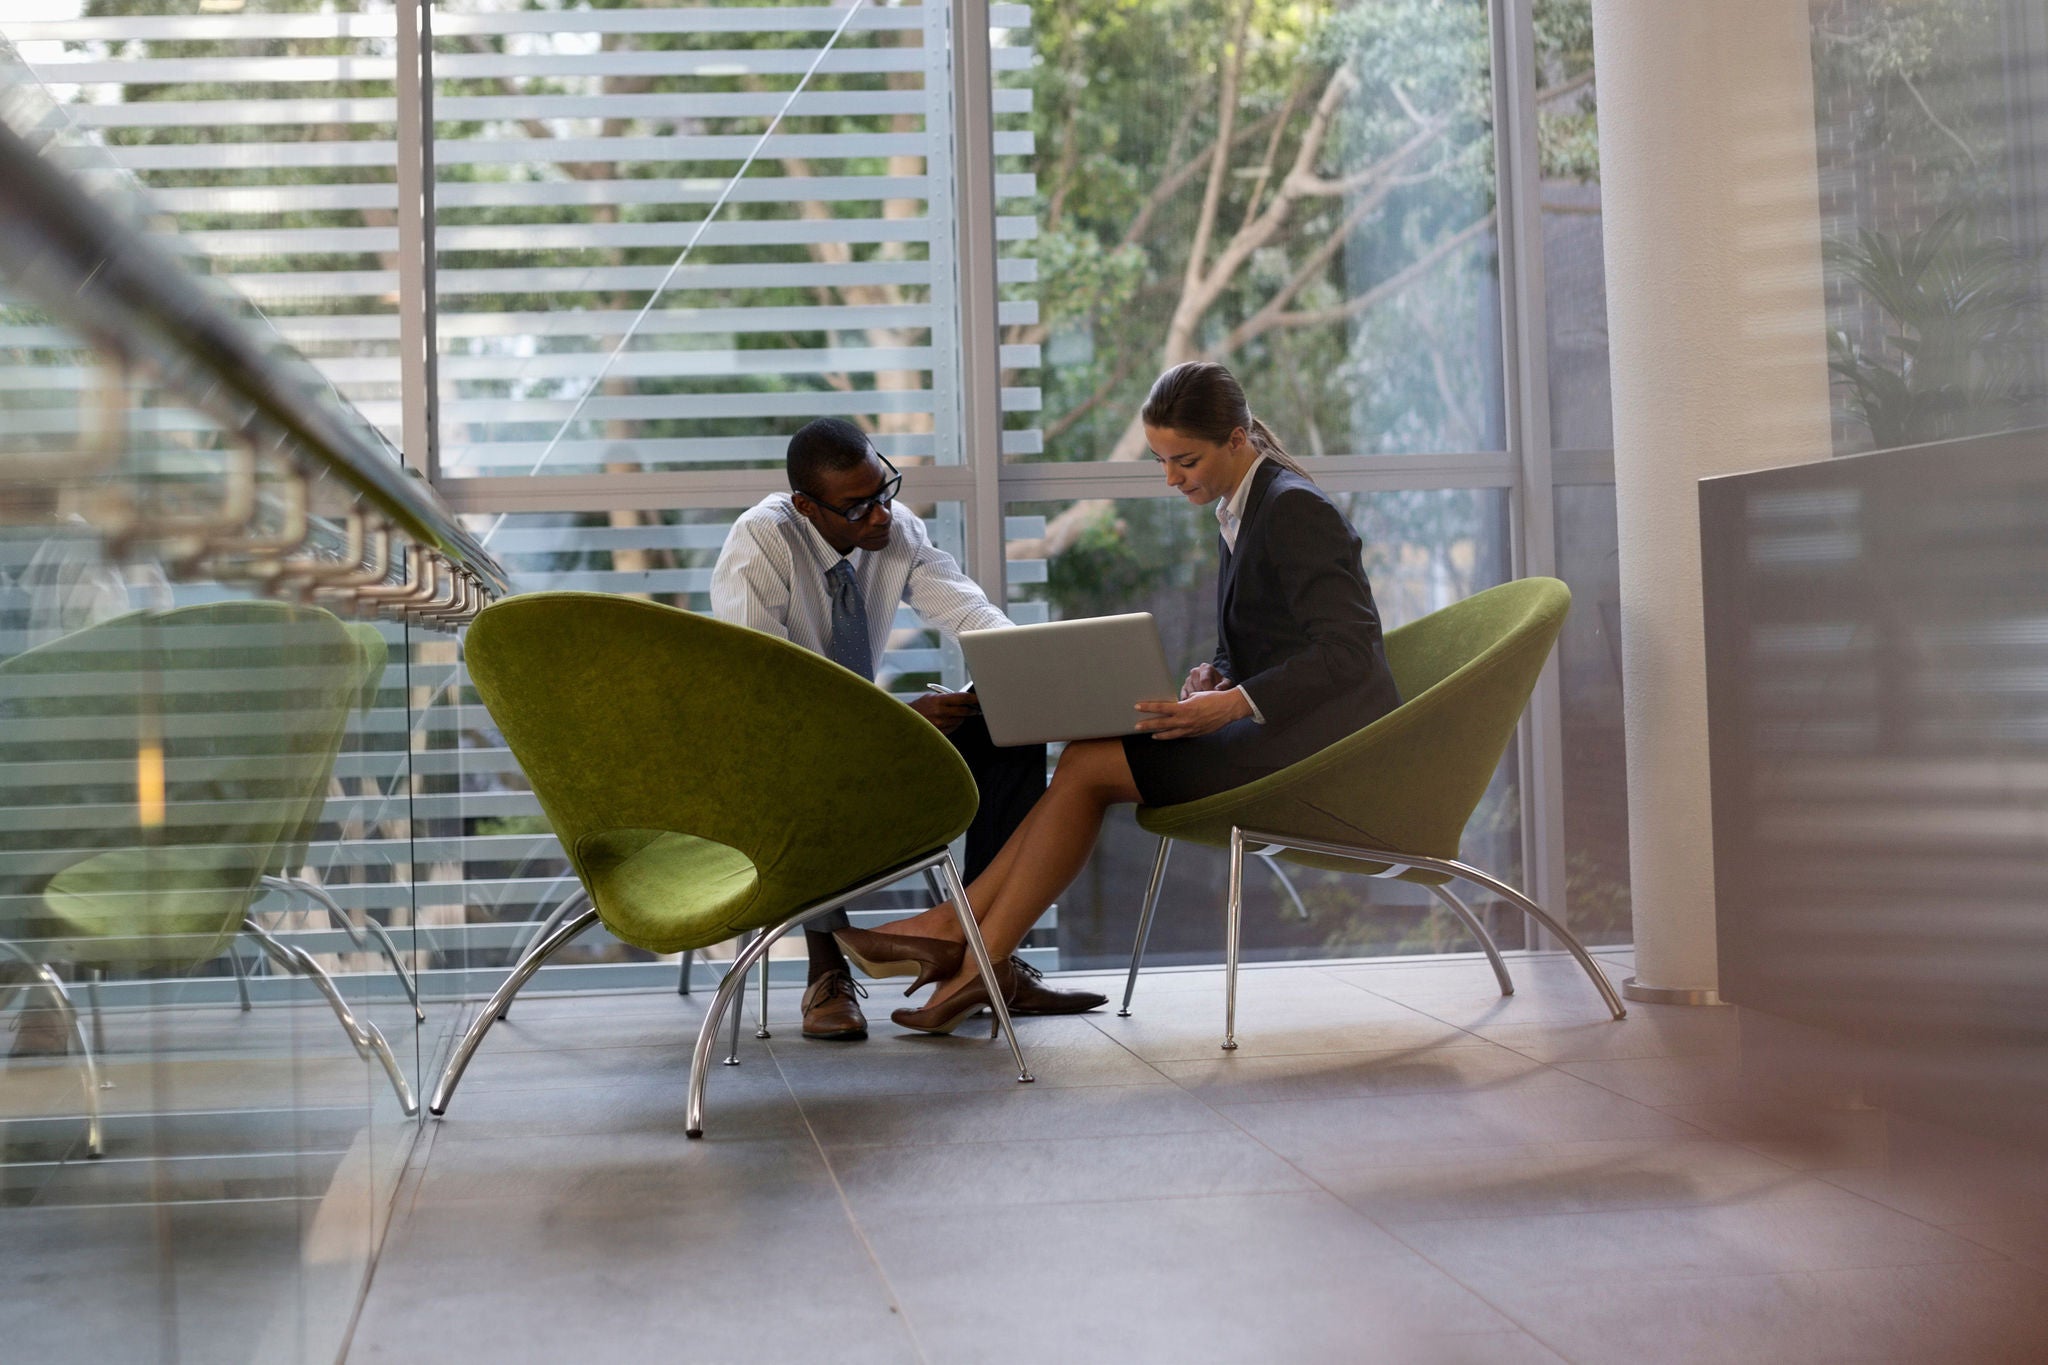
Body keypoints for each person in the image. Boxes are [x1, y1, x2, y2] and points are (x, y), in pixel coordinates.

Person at [841, 361, 1403, 1034]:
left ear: (1235, 439)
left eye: (1184, 460)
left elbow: (1349, 650)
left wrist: (1232, 703)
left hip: (1316, 747)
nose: (1171, 478)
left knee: (1088, 766)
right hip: (1276, 728)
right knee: (1087, 754)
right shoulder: (1243, 507)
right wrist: (1216, 676)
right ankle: (968, 953)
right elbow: (1271, 635)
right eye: (1162, 461)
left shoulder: (1291, 508)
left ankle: (962, 946)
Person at [709, 417, 1106, 1041]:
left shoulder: (896, 531)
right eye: (857, 506)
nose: (879, 516)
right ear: (806, 507)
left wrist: (1015, 672)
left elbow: (970, 609)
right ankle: (826, 971)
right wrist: (896, 719)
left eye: (885, 490)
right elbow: (768, 697)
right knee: (802, 763)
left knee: (1009, 726)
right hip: (780, 748)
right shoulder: (762, 541)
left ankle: (983, 956)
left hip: (866, 740)